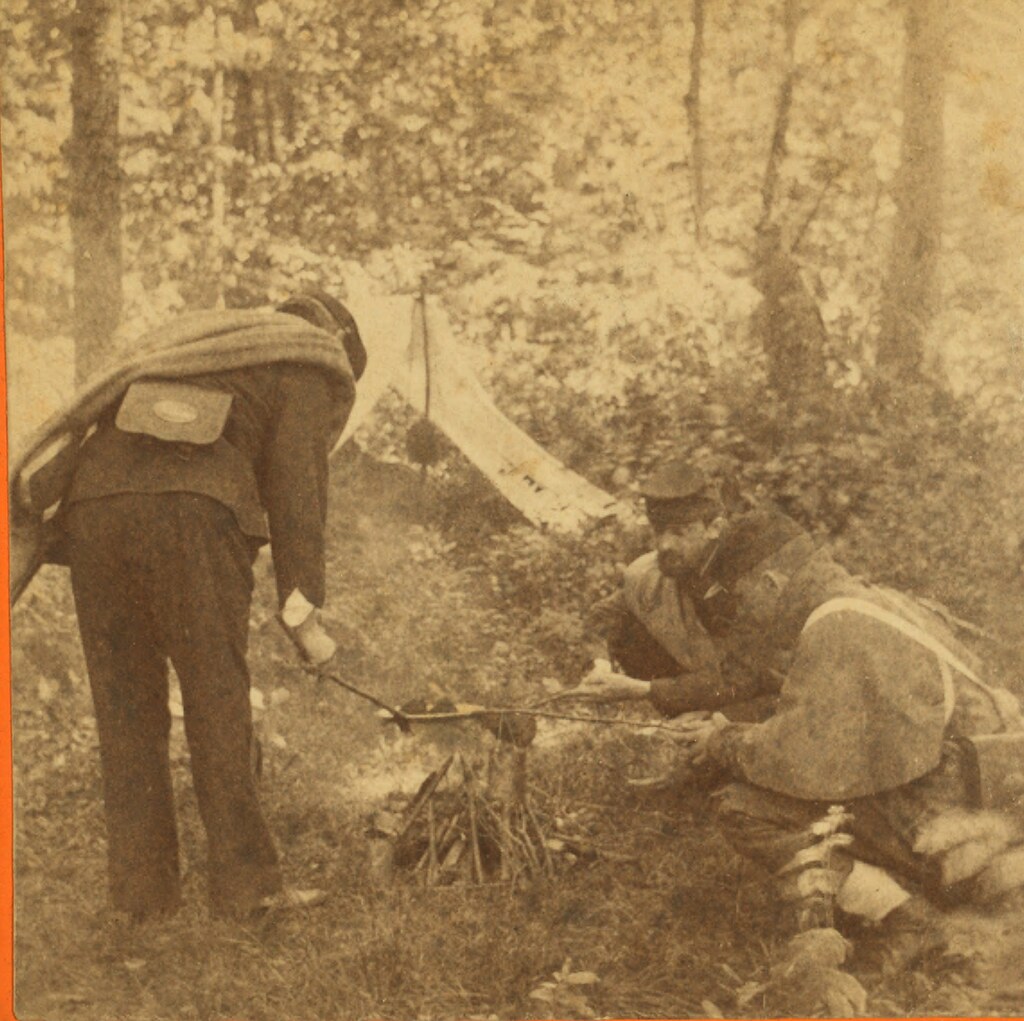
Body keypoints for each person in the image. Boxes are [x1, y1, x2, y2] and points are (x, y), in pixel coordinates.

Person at [19, 290, 367, 922]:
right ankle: (249, 895)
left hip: (94, 510)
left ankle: (142, 903)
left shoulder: (196, 344)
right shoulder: (308, 360)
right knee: (215, 702)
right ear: (337, 342)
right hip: (192, 513)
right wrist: (304, 617)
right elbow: (296, 490)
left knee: (125, 708)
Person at [680, 511, 1024, 953]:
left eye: (743, 599)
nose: (746, 615)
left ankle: (907, 919)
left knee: (741, 807)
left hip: (958, 815)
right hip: (996, 788)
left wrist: (720, 741)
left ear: (771, 583)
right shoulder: (874, 601)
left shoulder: (834, 627)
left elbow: (802, 762)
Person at [575, 460, 782, 721]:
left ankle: (710, 725)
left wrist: (645, 690)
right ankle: (686, 720)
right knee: (629, 625)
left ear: (714, 529)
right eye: (659, 531)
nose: (664, 545)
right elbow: (601, 618)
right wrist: (600, 668)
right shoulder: (659, 570)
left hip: (774, 697)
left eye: (679, 532)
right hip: (712, 685)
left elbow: (748, 678)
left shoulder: (750, 578)